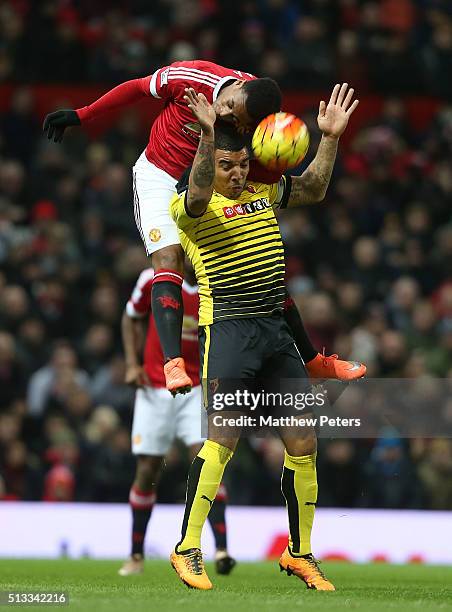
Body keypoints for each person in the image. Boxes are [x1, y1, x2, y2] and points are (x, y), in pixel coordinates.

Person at [43, 60, 365, 395]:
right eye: (230, 107)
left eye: (237, 121)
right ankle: (172, 364)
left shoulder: (260, 124)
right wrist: (83, 114)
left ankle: (312, 361)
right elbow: (138, 87)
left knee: (261, 267)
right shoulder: (191, 77)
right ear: (236, 88)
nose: (226, 113)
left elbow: (302, 187)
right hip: (163, 174)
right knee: (168, 262)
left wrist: (324, 140)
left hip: (218, 176)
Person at [168, 82, 359, 591]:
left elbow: (314, 188)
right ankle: (187, 549)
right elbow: (202, 189)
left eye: (242, 165)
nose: (237, 173)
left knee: (304, 441)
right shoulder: (190, 206)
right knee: (222, 440)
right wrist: (209, 137)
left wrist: (330, 139)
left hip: (274, 333)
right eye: (228, 164)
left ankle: (300, 553)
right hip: (228, 329)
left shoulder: (261, 192)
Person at [118, 264, 235, 577]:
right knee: (147, 470)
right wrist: (132, 363)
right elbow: (131, 317)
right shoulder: (153, 279)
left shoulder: (216, 284)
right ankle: (136, 556)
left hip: (196, 388)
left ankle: (222, 548)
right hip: (154, 389)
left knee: (205, 460)